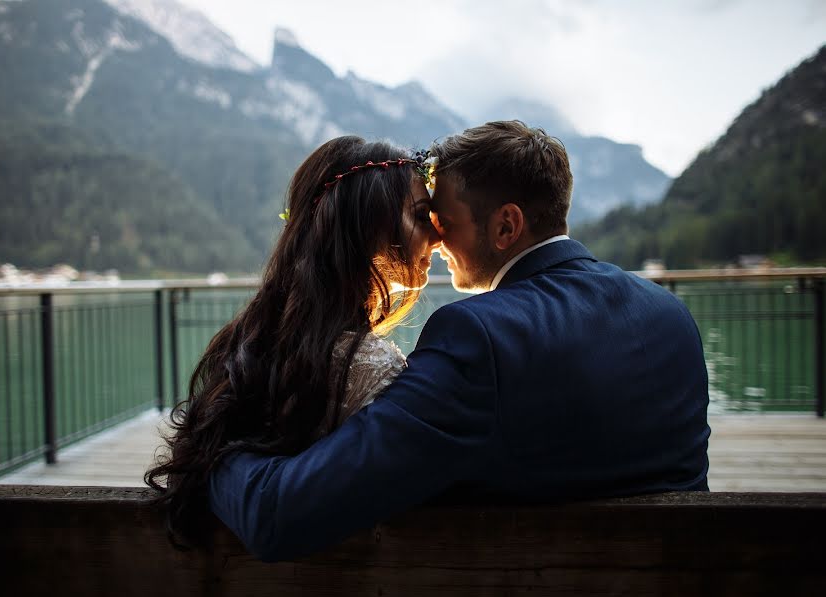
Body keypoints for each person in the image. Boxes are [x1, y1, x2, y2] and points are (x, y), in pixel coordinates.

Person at [208, 121, 711, 562]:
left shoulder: (479, 338)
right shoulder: (670, 314)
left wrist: (211, 443)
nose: (435, 238)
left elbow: (278, 515)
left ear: (506, 225)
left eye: (442, 219)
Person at [145, 136, 441, 547]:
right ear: (368, 224)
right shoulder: (371, 363)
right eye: (421, 215)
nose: (438, 237)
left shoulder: (248, 343)